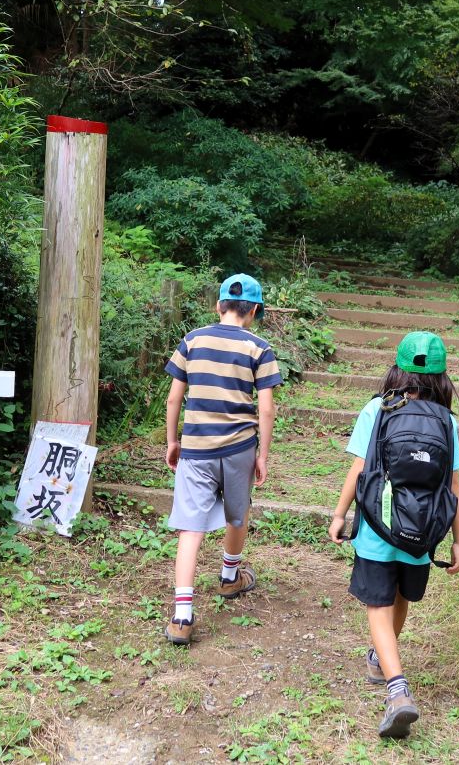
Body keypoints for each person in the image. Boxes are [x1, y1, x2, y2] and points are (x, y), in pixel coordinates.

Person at [328, 331, 459, 739]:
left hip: (376, 525)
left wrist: (339, 515)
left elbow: (358, 471)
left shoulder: (377, 409)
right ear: (443, 379)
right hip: (421, 531)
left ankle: (397, 689)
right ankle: (380, 659)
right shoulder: (448, 421)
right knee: (402, 595)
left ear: (397, 370)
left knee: (377, 602)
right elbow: (455, 487)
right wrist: (458, 540)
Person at [162, 273, 282, 645]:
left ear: (218, 306)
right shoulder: (260, 349)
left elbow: (172, 399)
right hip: (238, 448)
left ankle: (182, 615)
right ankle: (230, 577)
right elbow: (266, 410)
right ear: (255, 311)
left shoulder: (192, 340)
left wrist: (172, 441)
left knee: (191, 527)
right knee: (238, 510)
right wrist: (262, 454)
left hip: (196, 447)